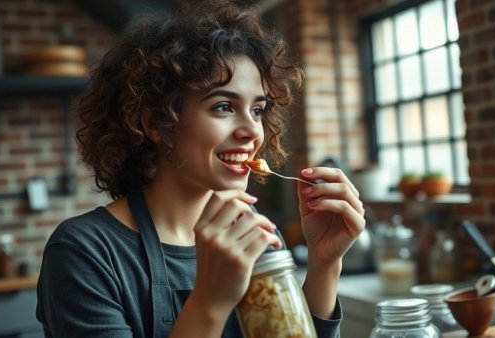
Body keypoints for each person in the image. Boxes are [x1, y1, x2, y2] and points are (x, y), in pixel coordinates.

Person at [36, 1, 366, 337]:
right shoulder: (85, 252)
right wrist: (209, 301)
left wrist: (324, 263)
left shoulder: (255, 235)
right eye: (224, 106)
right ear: (158, 123)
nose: (252, 131)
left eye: (257, 110)